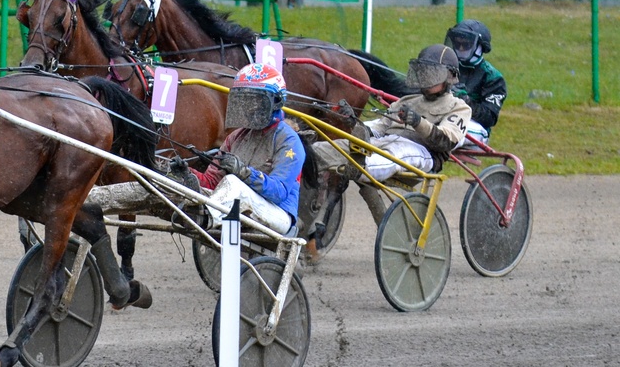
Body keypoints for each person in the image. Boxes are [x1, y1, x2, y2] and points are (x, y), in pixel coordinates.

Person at [312, 44, 472, 225]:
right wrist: (353, 124)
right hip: (385, 141)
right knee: (322, 148)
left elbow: (446, 140)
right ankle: (314, 153)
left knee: (394, 152)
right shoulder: (406, 101)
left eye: (433, 74)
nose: (426, 78)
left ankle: (360, 165)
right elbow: (380, 128)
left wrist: (418, 122)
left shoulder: (459, 107)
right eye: (423, 72)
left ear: (449, 77)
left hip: (423, 152)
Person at [188, 63, 305, 235]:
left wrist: (244, 172)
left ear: (276, 101)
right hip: (241, 205)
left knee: (234, 183)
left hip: (279, 214)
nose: (249, 107)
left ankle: (202, 220)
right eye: (245, 101)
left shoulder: (288, 140)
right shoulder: (236, 137)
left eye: (256, 101)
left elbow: (279, 192)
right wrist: (187, 174)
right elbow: (212, 182)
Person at [444, 19, 507, 147]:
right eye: (457, 44)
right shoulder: (447, 67)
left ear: (480, 46)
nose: (460, 48)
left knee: (443, 132)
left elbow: (489, 118)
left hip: (476, 127)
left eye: (466, 44)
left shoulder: (493, 77)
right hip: (445, 118)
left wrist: (465, 100)